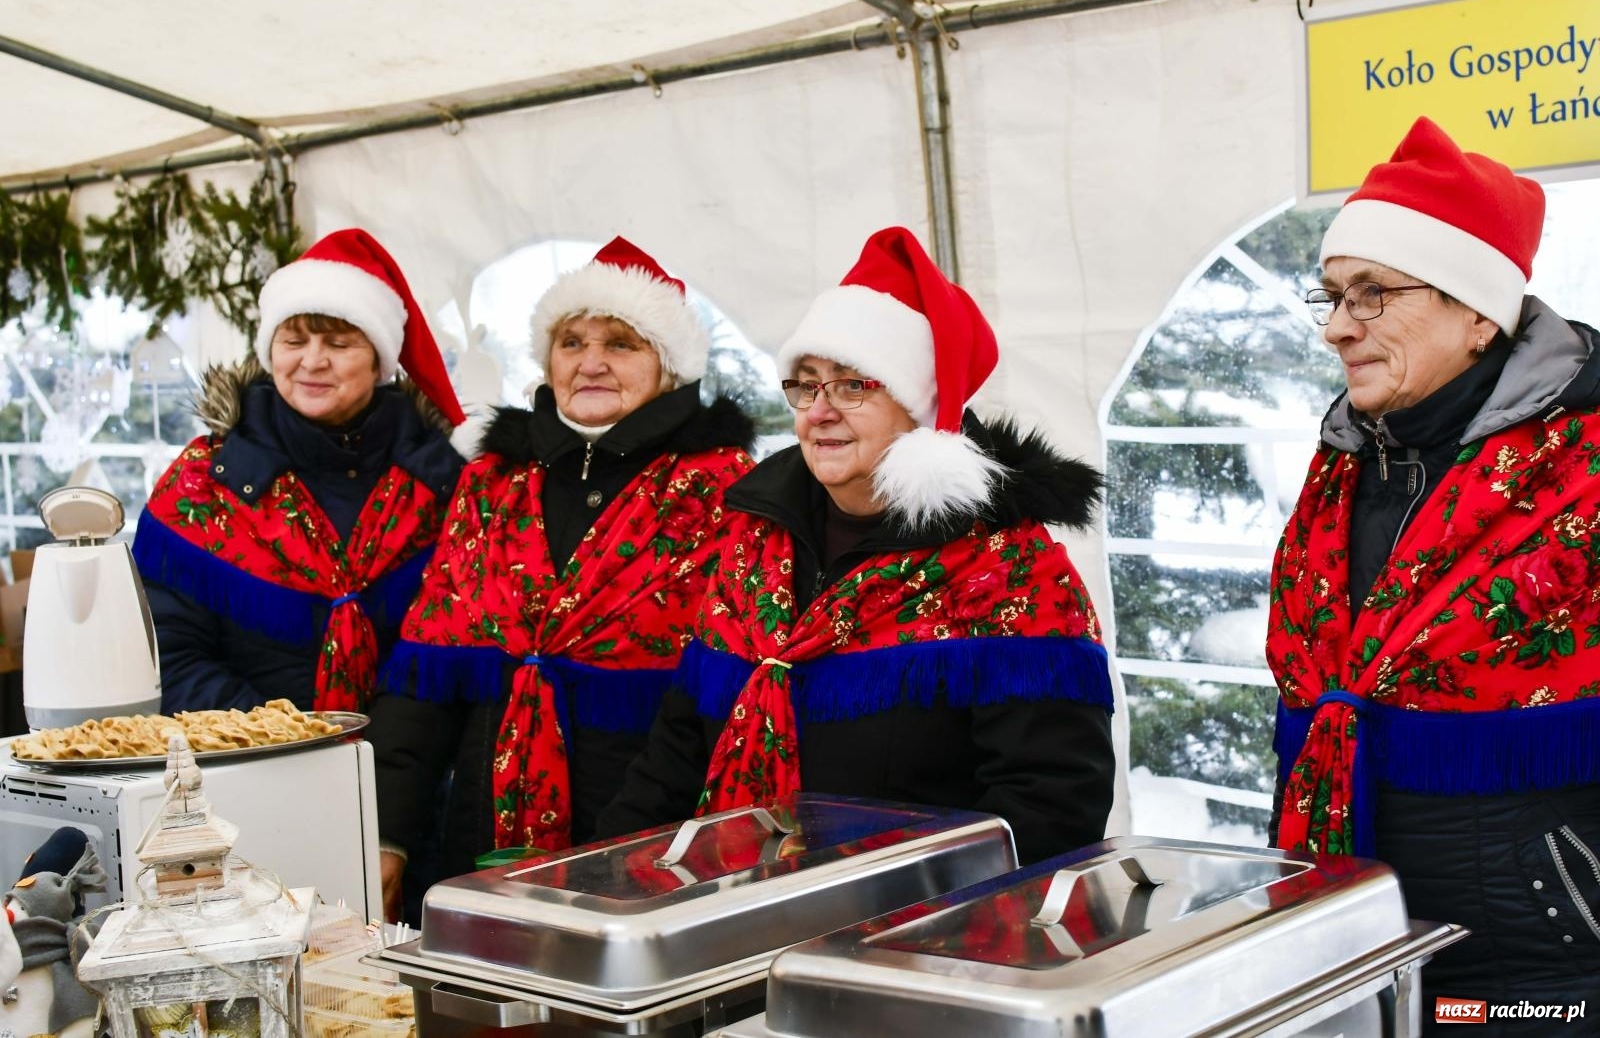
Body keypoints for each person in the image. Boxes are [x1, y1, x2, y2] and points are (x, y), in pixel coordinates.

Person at [596, 226, 1116, 864]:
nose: (819, 411)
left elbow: (1051, 808)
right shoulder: (749, 544)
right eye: (807, 384)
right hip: (730, 919)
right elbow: (677, 748)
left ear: (920, 410)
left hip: (909, 941)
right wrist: (607, 876)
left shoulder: (1006, 572)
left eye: (854, 386)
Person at [1267, 117, 1600, 1027]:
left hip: (1545, 968)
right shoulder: (1340, 464)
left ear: (1477, 310)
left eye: (1373, 294)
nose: (1339, 327)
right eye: (1332, 294)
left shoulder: (1586, 469)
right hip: (1352, 943)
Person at [367, 237, 755, 919]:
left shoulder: (721, 493)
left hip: (650, 843)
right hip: (483, 842)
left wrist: (622, 855)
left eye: (622, 343)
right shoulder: (490, 486)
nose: (592, 361)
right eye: (572, 341)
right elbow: (424, 683)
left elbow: (719, 708)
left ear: (669, 367)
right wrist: (390, 835)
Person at [133, 229, 466, 715]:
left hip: (407, 774)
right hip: (244, 764)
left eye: (339, 342)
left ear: (379, 362)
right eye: (294, 339)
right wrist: (277, 739)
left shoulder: (441, 484)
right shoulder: (204, 483)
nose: (312, 361)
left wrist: (387, 758)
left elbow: (460, 648)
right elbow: (167, 651)